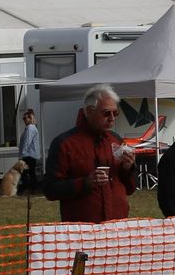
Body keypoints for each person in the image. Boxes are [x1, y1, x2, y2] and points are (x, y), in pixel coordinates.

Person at [45, 83, 139, 223]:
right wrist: (85, 183)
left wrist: (128, 168)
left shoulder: (116, 140)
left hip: (117, 225)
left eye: (115, 113)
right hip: (83, 227)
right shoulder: (65, 144)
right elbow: (50, 190)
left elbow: (130, 188)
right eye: (106, 113)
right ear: (89, 111)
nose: (112, 118)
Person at [18, 109, 40, 196]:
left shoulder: (30, 128)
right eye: (23, 118)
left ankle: (26, 190)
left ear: (30, 118)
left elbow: (27, 142)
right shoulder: (32, 127)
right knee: (31, 173)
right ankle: (33, 190)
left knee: (25, 173)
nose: (24, 120)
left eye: (25, 118)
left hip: (28, 155)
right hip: (31, 155)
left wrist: (22, 154)